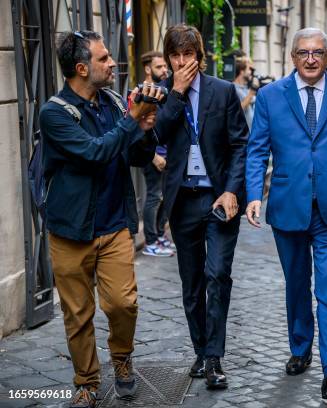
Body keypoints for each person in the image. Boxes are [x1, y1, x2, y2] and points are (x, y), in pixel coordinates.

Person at [245, 27, 327, 400]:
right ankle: (300, 347)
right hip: (288, 207)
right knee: (297, 284)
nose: (311, 59)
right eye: (304, 52)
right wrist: (255, 194)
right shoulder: (271, 96)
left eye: (318, 52)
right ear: (293, 57)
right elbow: (257, 150)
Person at [40, 30, 163, 407]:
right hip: (70, 232)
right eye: (104, 58)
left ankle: (122, 360)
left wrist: (144, 129)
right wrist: (131, 121)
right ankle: (87, 383)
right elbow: (94, 154)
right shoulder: (53, 113)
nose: (112, 64)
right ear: (81, 68)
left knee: (123, 304)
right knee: (78, 313)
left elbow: (138, 158)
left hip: (113, 225)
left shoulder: (112, 104)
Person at [154, 24, 249, 389]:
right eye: (175, 56)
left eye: (188, 55)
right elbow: (158, 135)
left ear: (200, 56)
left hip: (217, 199)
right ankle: (200, 349)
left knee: (217, 275)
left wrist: (232, 190)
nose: (181, 62)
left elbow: (241, 144)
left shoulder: (223, 92)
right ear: (168, 59)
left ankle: (214, 358)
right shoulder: (161, 94)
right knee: (192, 283)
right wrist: (175, 93)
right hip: (183, 201)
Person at [140, 50, 175, 257]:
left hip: (167, 153)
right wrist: (154, 156)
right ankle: (150, 242)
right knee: (154, 197)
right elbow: (138, 129)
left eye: (164, 66)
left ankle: (160, 236)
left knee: (164, 197)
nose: (164, 71)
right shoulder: (143, 92)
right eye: (159, 67)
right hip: (152, 155)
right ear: (147, 69)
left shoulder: (164, 90)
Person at [233, 56, 257, 129]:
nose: (251, 72)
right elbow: (237, 110)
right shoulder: (233, 88)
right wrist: (252, 92)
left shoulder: (246, 88)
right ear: (242, 71)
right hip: (243, 136)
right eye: (249, 69)